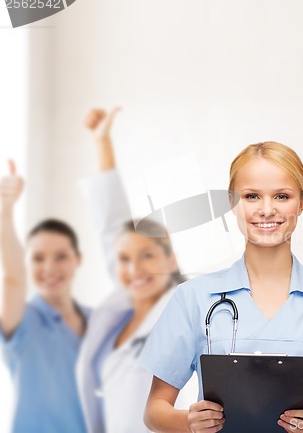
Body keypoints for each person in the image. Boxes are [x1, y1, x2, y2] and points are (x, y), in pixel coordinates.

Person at [140, 141, 303, 433]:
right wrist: (188, 422)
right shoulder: (194, 299)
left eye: (282, 196)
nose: (267, 209)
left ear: (302, 202)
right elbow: (154, 411)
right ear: (232, 202)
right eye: (251, 196)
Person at [76, 108, 198, 433]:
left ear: (171, 260)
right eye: (125, 259)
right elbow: (111, 228)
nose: (135, 269)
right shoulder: (119, 311)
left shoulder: (184, 312)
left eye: (147, 255)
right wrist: (102, 142)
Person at [0, 160, 90, 433]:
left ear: (78, 260)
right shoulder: (24, 320)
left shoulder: (97, 320)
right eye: (38, 258)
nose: (49, 268)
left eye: (61, 256)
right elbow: (13, 279)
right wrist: (5, 213)